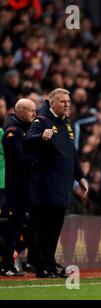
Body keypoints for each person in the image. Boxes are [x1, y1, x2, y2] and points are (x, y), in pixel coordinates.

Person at [25, 88, 88, 278]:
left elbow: (72, 154)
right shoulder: (42, 120)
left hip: (63, 186)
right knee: (45, 228)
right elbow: (28, 139)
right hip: (47, 185)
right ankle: (41, 265)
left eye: (68, 101)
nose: (67, 104)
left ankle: (49, 262)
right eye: (62, 101)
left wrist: (81, 176)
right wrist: (40, 137)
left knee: (54, 229)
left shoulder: (66, 124)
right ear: (52, 103)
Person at [0, 99, 36, 276]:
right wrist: (37, 156)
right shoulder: (12, 132)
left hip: (25, 187)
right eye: (31, 111)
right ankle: (6, 264)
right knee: (13, 227)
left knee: (27, 225)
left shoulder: (23, 129)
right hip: (15, 189)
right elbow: (18, 158)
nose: (34, 115)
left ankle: (13, 260)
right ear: (21, 112)